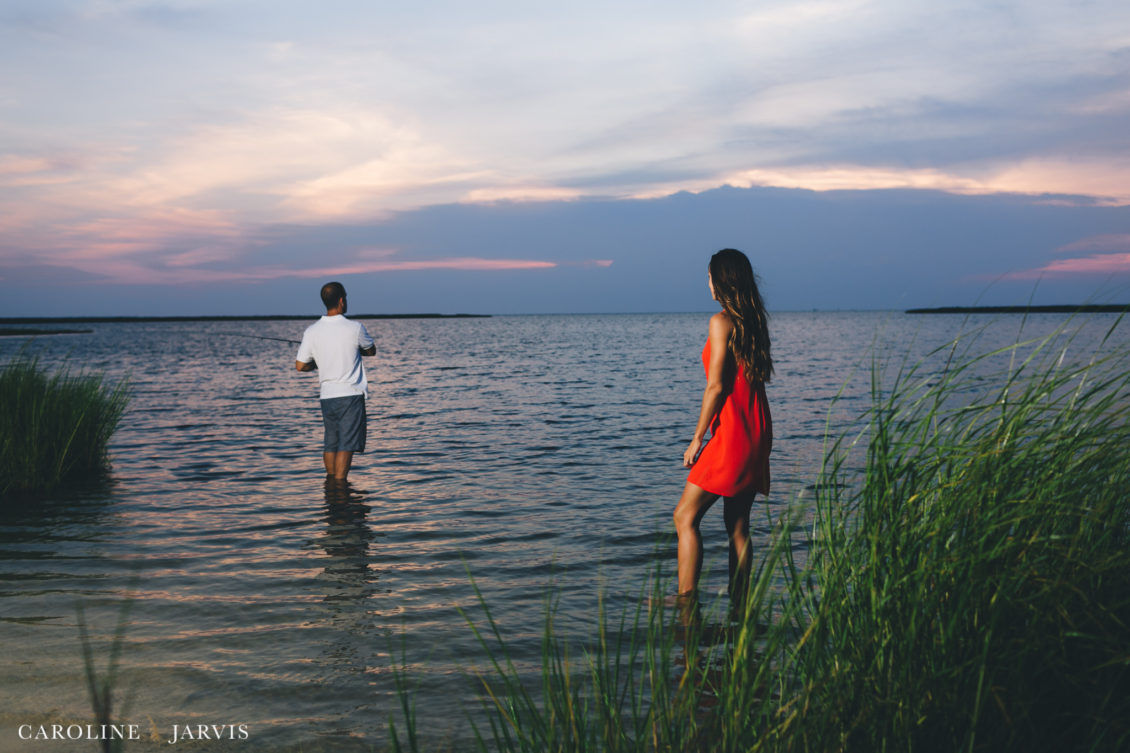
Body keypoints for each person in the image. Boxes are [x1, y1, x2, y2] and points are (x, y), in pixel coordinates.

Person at [673, 248, 773, 602]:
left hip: (731, 435)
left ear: (723, 279)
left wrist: (697, 439)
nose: (708, 282)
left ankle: (685, 602)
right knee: (738, 527)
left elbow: (717, 386)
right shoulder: (753, 321)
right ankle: (740, 606)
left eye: (710, 275)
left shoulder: (721, 322)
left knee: (684, 517)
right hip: (757, 431)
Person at [296, 282, 376, 483]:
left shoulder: (312, 331)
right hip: (350, 394)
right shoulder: (355, 327)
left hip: (327, 396)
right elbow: (371, 350)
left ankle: (331, 484)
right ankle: (340, 488)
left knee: (331, 443)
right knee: (346, 444)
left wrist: (318, 362)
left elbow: (300, 365)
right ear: (341, 301)